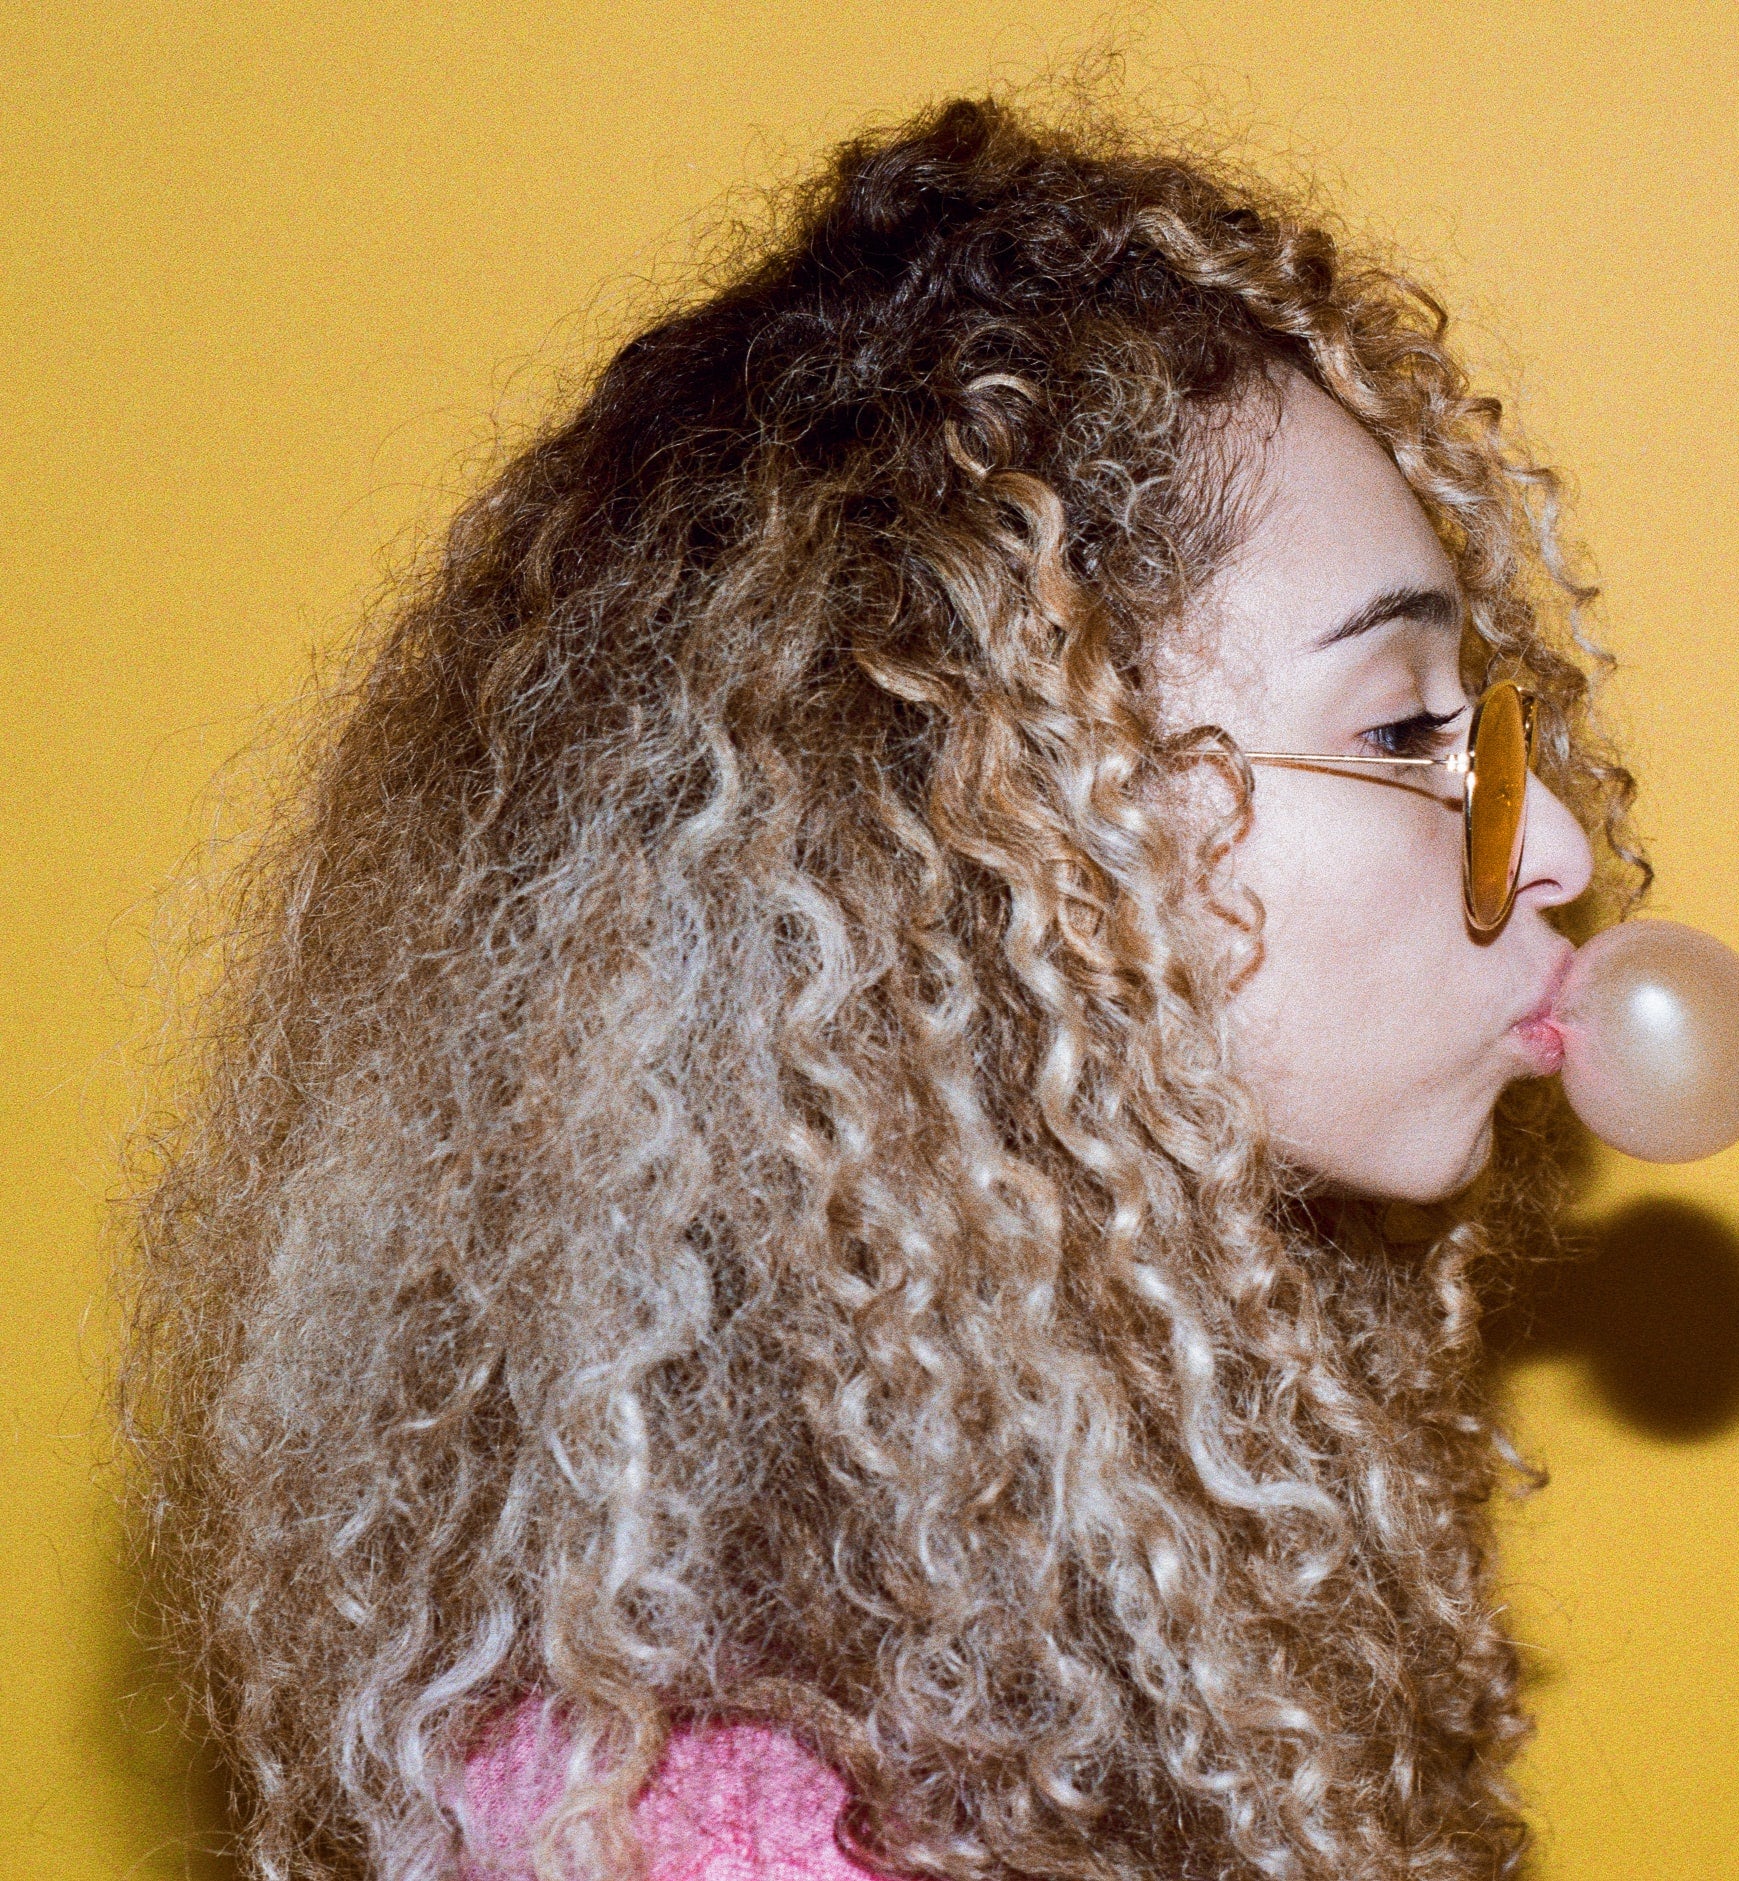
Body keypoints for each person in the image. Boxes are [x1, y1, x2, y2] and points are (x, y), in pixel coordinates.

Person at [121, 94, 1643, 1881]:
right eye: (1400, 727)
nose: (1548, 843)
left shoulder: (1093, 1588)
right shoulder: (699, 1834)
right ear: (987, 830)